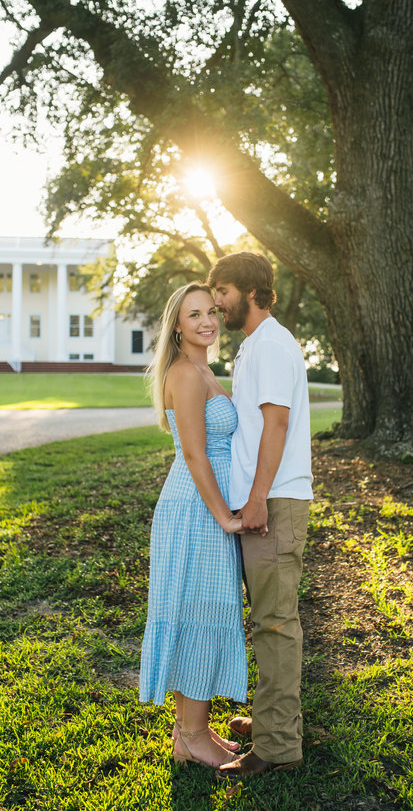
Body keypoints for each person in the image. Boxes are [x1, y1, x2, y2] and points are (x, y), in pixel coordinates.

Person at [207, 252, 313, 779]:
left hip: (273, 502)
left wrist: (254, 499)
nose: (215, 301)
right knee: (268, 620)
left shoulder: (271, 344)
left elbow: (276, 427)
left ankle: (277, 747)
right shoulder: (255, 346)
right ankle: (275, 721)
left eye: (220, 290)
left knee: (274, 624)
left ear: (248, 290)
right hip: (263, 498)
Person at [139, 282, 248, 769]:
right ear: (177, 326)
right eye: (194, 314)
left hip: (204, 506)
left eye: (210, 311)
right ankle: (194, 735)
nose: (207, 320)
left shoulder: (204, 368)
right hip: (197, 510)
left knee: (198, 610)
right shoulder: (186, 373)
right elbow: (194, 453)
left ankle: (190, 734)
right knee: (201, 610)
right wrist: (224, 514)